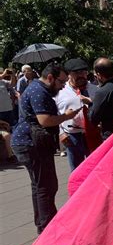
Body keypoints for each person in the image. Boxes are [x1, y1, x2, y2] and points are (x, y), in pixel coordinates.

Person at [11, 63, 81, 234]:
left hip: (30, 142)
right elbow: (45, 120)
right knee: (46, 186)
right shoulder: (39, 91)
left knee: (40, 185)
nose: (64, 85)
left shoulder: (38, 88)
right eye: (61, 82)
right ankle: (48, 228)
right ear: (50, 78)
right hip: (31, 143)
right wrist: (67, 116)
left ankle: (43, 225)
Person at [55, 58, 98, 171]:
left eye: (83, 72)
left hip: (93, 133)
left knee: (95, 166)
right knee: (77, 169)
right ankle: (78, 189)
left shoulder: (95, 90)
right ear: (68, 74)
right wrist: (61, 133)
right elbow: (54, 113)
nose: (80, 76)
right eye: (76, 73)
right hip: (72, 135)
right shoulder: (60, 91)